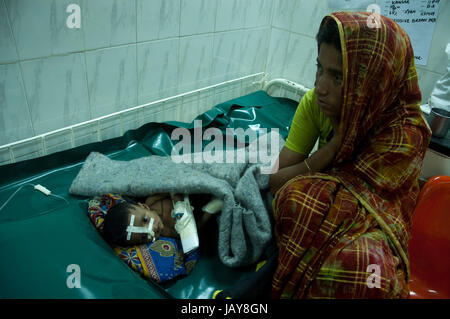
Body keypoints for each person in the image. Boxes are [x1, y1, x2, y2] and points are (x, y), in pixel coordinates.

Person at [269, 12, 431, 298]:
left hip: (377, 230)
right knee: (296, 200)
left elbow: (386, 210)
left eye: (338, 78)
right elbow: (276, 182)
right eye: (319, 68)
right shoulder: (315, 104)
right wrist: (333, 148)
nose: (321, 87)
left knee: (363, 266)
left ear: (373, 81)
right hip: (333, 208)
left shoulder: (405, 133)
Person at [102, 193, 219, 247]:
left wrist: (179, 204)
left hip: (192, 194)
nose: (151, 229)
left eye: (145, 220)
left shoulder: (152, 201)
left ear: (144, 206)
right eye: (143, 236)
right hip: (202, 211)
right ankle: (214, 206)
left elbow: (172, 185)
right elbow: (194, 228)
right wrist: (209, 210)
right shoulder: (165, 233)